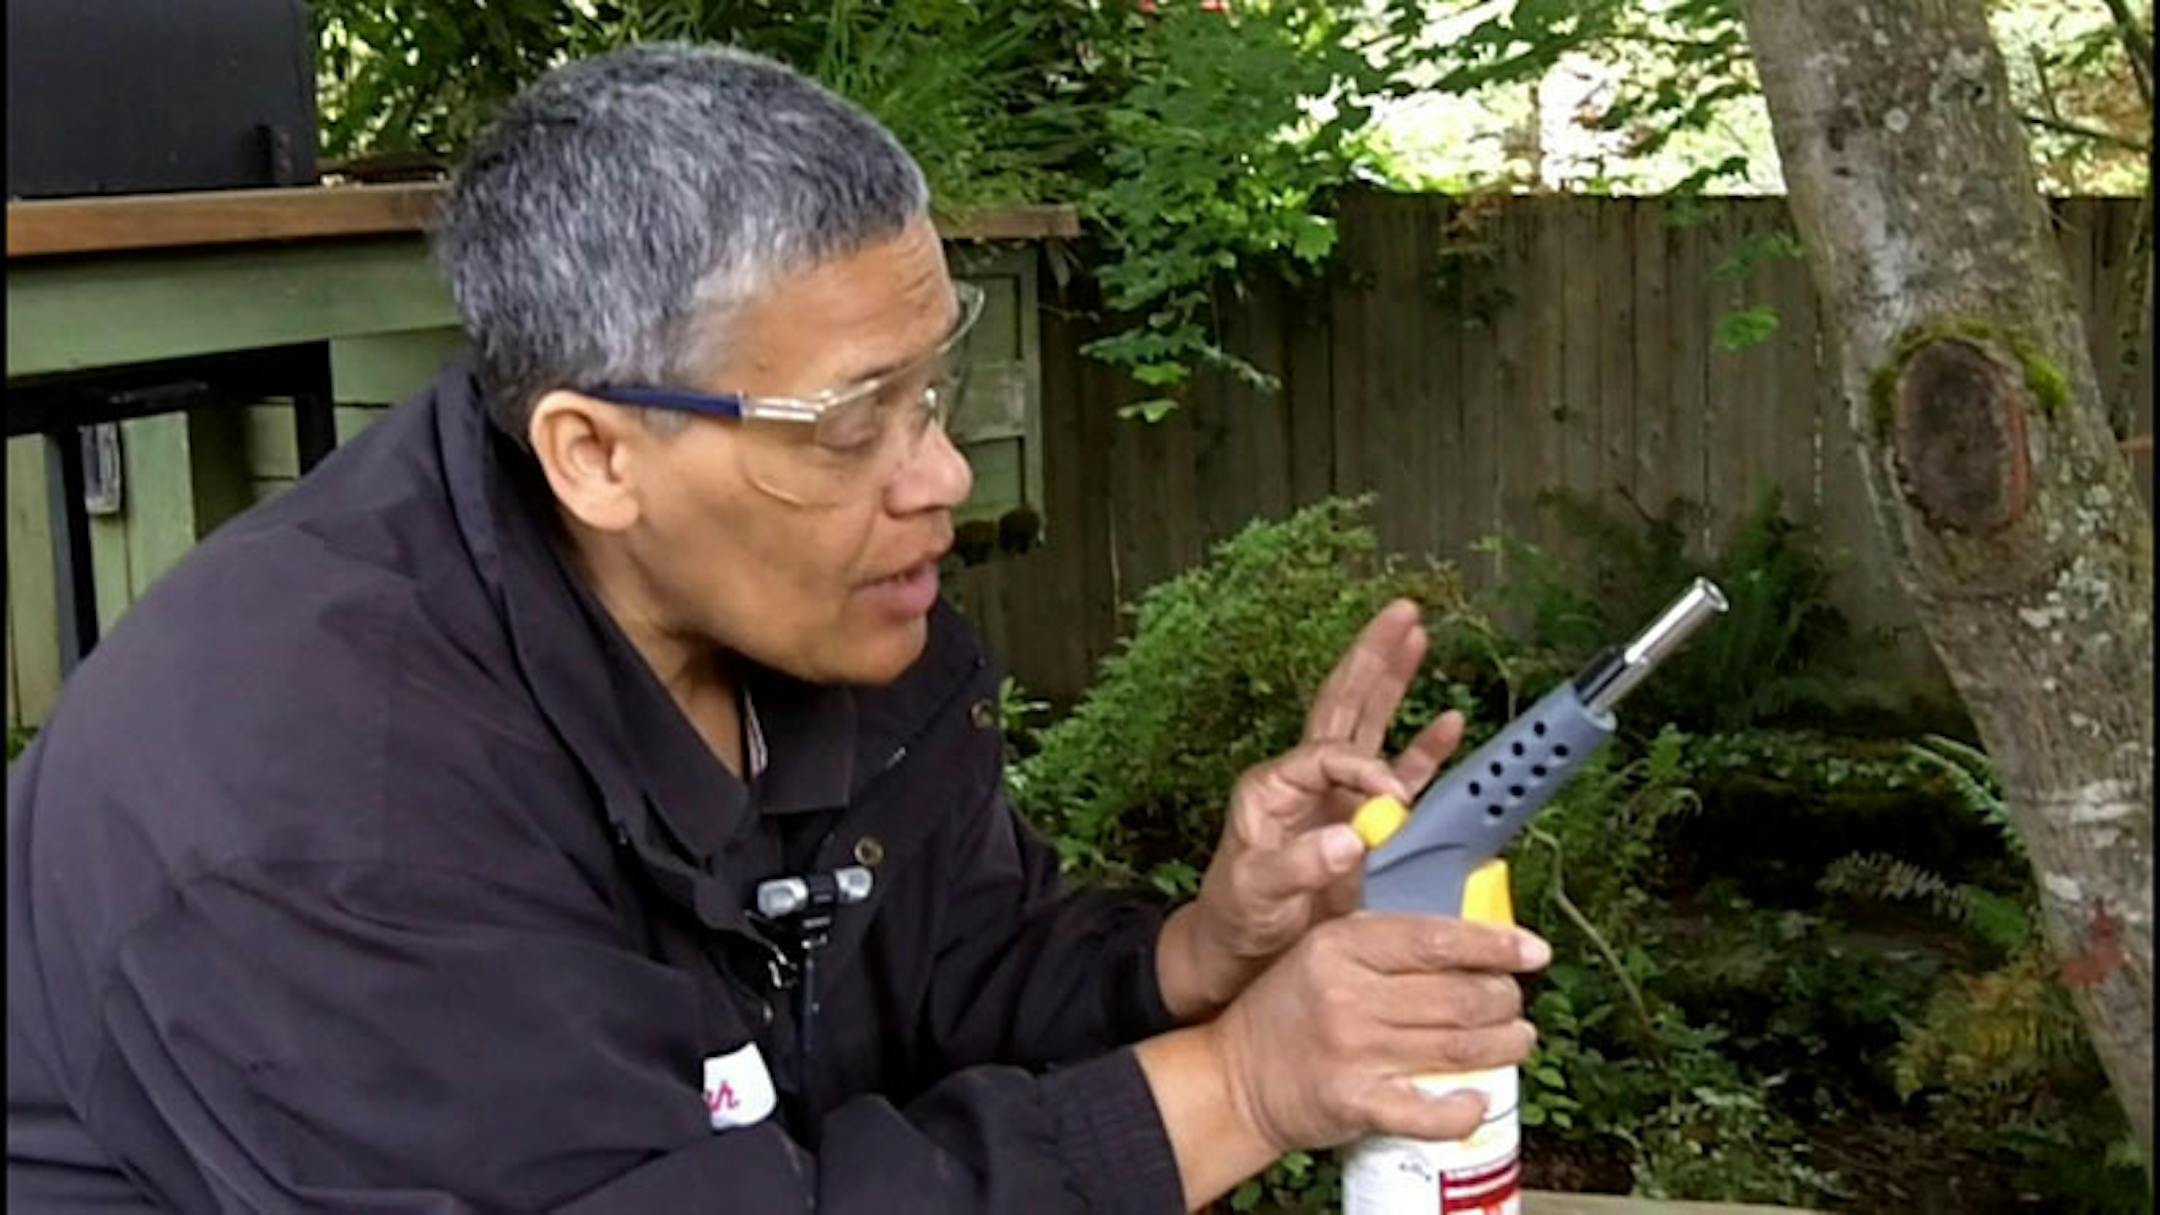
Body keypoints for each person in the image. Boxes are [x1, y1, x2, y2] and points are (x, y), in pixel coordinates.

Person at [6, 44, 1547, 1212]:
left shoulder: (822, 635)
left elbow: (949, 966)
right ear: (595, 454)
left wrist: (1197, 961)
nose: (939, 475)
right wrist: (1240, 1082)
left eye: (934, 390)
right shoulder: (317, 807)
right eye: (850, 423)